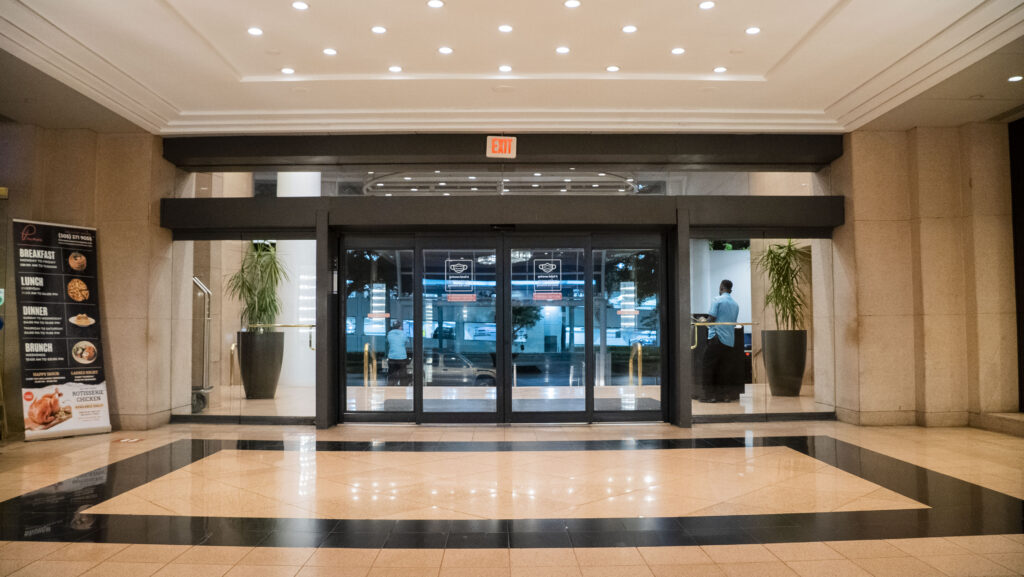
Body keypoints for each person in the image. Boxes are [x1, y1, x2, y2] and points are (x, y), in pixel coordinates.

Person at [702, 279, 740, 402]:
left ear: (722, 287)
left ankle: (709, 396)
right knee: (724, 369)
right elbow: (733, 323)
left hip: (716, 337)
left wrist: (703, 321)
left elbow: (712, 318)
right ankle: (725, 396)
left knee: (708, 367)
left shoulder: (717, 300)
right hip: (729, 340)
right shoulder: (735, 304)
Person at [386, 320, 409, 386]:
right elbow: (406, 341)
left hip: (392, 357)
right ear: (399, 327)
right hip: (402, 358)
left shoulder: (389, 334)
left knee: (392, 374)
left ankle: (391, 388)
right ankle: (403, 388)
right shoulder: (403, 334)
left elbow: (387, 343)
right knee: (403, 375)